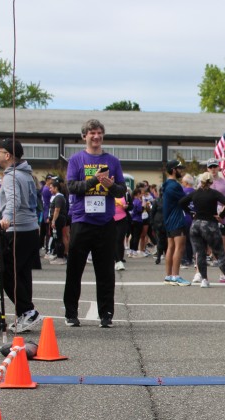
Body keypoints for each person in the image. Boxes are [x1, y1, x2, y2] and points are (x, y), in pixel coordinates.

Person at [64, 118, 126, 328]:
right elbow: (72, 187)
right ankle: (71, 313)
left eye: (99, 133)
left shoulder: (113, 161)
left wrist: (110, 185)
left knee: (106, 272)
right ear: (84, 136)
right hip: (82, 220)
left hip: (106, 222)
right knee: (74, 270)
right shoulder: (76, 160)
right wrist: (94, 180)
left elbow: (121, 190)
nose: (96, 136)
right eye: (92, 133)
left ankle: (106, 314)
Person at [0, 138, 41, 333]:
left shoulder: (11, 176)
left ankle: (28, 311)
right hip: (30, 229)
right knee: (22, 274)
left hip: (18, 229)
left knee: (7, 272)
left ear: (7, 155)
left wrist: (6, 218)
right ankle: (25, 315)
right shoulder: (26, 174)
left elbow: (13, 200)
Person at [179, 172, 225, 288]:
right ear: (211, 182)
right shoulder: (214, 193)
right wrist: (221, 215)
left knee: (200, 253)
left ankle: (204, 279)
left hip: (195, 225)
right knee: (219, 252)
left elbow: (182, 202)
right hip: (210, 224)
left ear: (201, 181)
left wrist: (191, 213)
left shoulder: (195, 193)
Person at [161, 160, 191, 286]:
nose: (181, 171)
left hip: (168, 219)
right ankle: (176, 276)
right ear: (174, 170)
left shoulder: (165, 184)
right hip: (177, 219)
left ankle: (168, 276)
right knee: (179, 247)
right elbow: (185, 200)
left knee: (171, 247)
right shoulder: (175, 186)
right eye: (179, 169)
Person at [47, 177, 68, 265]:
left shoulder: (59, 197)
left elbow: (57, 210)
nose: (50, 190)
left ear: (56, 188)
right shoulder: (57, 197)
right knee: (56, 238)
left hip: (58, 220)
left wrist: (53, 221)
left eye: (51, 188)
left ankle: (61, 257)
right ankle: (58, 255)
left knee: (58, 238)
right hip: (57, 219)